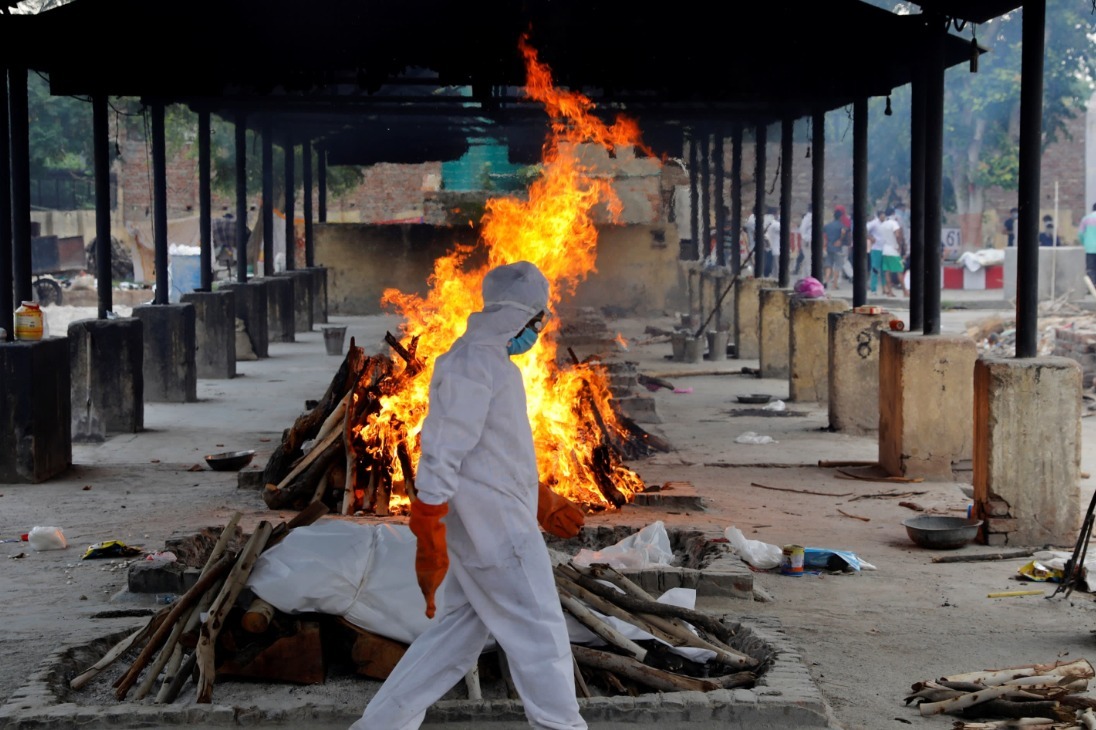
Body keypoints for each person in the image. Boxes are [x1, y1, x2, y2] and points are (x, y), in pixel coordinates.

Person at [351, 261, 587, 730]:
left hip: (488, 522)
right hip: (496, 532)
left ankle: (381, 726)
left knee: (454, 637)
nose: (538, 331)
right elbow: (443, 446)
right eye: (539, 321)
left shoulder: (488, 361)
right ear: (523, 316)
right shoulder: (475, 362)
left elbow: (490, 448)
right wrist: (428, 517)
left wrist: (539, 497)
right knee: (541, 637)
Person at [876, 207, 906, 297]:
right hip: (894, 250)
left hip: (885, 250)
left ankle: (890, 291)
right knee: (899, 271)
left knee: (887, 272)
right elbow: (897, 235)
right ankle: (905, 291)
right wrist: (899, 245)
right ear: (893, 213)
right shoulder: (894, 223)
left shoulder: (883, 225)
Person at [822, 207, 848, 290]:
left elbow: (823, 235)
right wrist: (840, 240)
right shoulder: (842, 226)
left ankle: (826, 280)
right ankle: (835, 284)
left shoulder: (828, 225)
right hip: (838, 248)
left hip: (829, 247)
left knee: (829, 264)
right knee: (837, 266)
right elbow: (844, 234)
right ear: (840, 217)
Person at [866, 210, 885, 294]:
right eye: (882, 215)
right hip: (876, 248)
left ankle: (884, 289)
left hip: (884, 248)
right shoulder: (874, 223)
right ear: (879, 216)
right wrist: (870, 237)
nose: (883, 217)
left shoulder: (886, 223)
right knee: (875, 269)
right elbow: (864, 230)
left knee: (884, 269)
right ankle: (873, 288)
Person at [1079, 203, 1096, 284]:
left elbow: (1080, 234)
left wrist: (1084, 242)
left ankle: (1092, 286)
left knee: (1090, 268)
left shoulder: (1086, 219)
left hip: (1090, 248)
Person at [763, 206, 780, 277]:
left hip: (767, 248)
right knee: (776, 268)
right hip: (775, 249)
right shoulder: (775, 224)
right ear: (774, 214)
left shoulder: (764, 221)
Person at [795, 205, 812, 276]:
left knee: (807, 260)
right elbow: (802, 229)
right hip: (808, 240)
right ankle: (809, 275)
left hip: (809, 240)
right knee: (809, 260)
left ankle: (804, 276)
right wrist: (806, 239)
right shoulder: (808, 218)